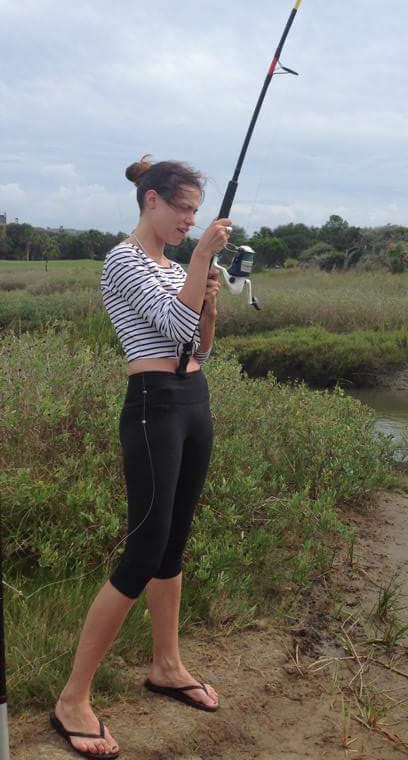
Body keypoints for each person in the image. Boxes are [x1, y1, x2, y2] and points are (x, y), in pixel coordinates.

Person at [50, 156, 231, 759]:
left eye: (196, 213)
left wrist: (208, 300)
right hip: (154, 402)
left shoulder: (173, 267)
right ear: (151, 200)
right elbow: (171, 325)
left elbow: (197, 343)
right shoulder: (123, 260)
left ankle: (167, 666)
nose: (190, 220)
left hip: (194, 399)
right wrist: (201, 261)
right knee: (143, 551)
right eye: (182, 208)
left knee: (173, 544)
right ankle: (72, 698)